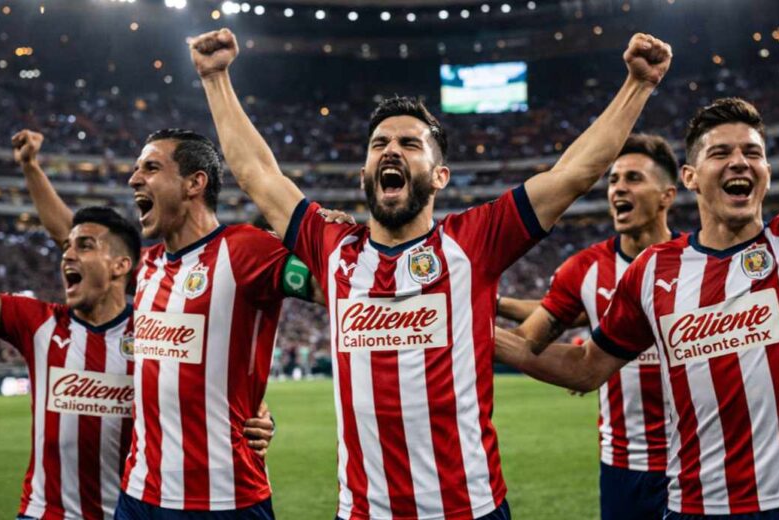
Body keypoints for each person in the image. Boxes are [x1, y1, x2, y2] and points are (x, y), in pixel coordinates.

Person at [190, 27, 672, 519]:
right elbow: (258, 173)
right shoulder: (331, 246)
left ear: (440, 176)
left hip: (467, 509)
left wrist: (638, 84)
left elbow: (572, 174)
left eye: (409, 143)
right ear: (364, 174)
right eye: (379, 143)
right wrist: (215, 77)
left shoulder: (474, 241)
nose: (391, 150)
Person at [497, 41, 779, 518]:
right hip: (694, 505)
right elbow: (586, 367)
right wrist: (480, 333)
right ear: (689, 177)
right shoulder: (651, 271)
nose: (739, 162)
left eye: (752, 153)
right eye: (720, 152)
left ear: (767, 171)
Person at [11, 128, 311, 517]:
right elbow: (70, 237)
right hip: (139, 495)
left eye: (151, 168)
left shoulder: (245, 249)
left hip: (224, 498)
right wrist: (31, 168)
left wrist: (328, 232)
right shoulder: (148, 266)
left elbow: (337, 284)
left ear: (194, 183)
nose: (133, 178)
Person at [0, 156, 139, 519]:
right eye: (67, 247)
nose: (67, 255)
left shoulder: (155, 330)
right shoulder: (38, 322)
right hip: (44, 514)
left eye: (84, 246)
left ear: (121, 266)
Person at [496, 134, 679, 519]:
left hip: (695, 457)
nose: (618, 188)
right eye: (613, 180)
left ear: (667, 196)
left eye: (633, 178)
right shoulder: (584, 269)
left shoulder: (698, 263)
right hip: (623, 464)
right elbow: (530, 338)